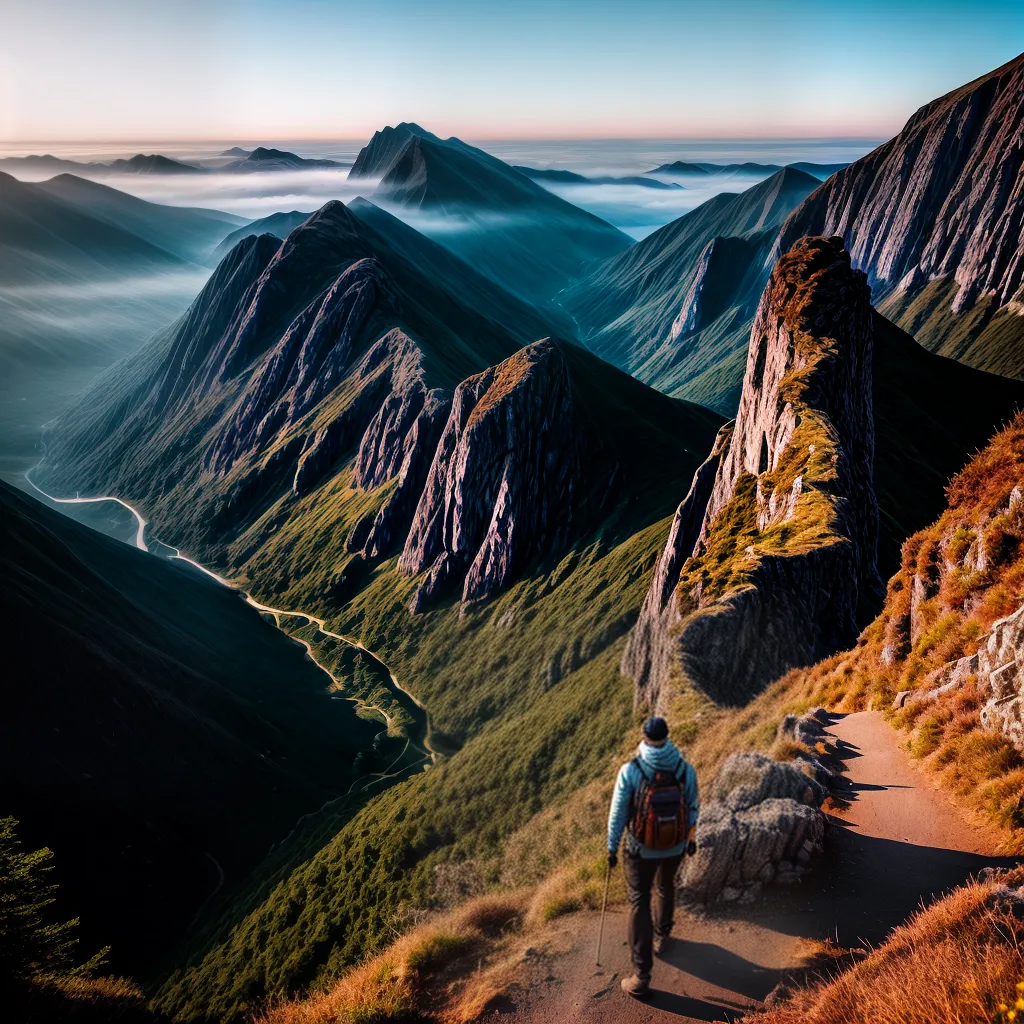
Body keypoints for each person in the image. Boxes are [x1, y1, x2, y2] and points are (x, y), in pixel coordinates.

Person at [607, 715, 699, 998]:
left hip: (640, 850)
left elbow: (619, 813)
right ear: (667, 737)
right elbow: (693, 807)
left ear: (645, 738)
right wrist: (691, 840)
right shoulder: (685, 769)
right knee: (666, 886)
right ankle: (663, 935)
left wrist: (611, 848)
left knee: (639, 901)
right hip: (675, 846)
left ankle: (641, 976)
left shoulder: (631, 770)